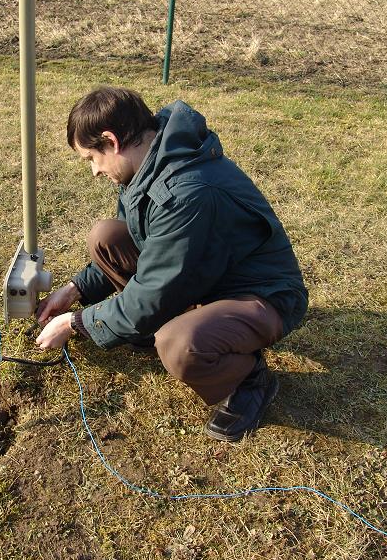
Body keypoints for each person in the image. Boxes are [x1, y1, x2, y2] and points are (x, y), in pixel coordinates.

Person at [36, 86, 308, 442]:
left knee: (179, 343)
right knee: (106, 236)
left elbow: (151, 293)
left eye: (91, 158)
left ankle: (250, 379)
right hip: (206, 275)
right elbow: (145, 246)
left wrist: (77, 323)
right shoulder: (150, 160)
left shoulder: (186, 192)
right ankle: (168, 324)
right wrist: (76, 289)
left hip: (260, 295)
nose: (94, 172)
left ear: (111, 140)